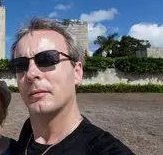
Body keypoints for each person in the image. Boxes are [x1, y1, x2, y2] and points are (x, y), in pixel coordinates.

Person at [8, 18, 135, 155]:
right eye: (20, 65)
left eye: (47, 59)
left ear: (77, 72)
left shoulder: (105, 150)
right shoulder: (29, 132)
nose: (30, 74)